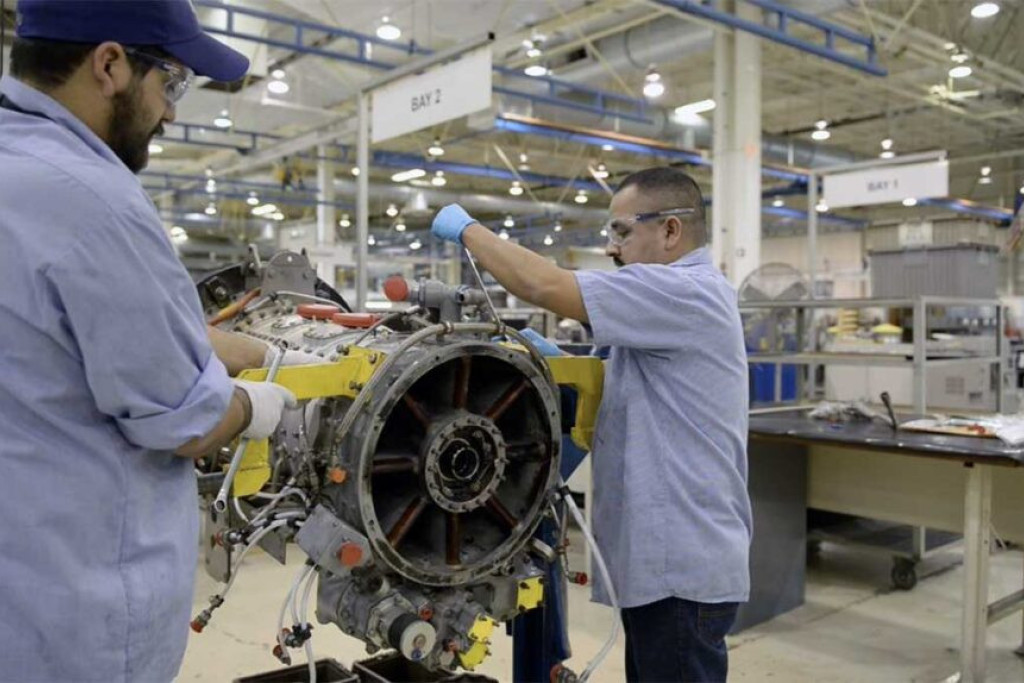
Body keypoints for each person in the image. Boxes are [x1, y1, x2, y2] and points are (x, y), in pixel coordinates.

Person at [0, 1, 299, 680]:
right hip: (74, 628)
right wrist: (266, 404)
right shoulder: (93, 200)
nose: (171, 113)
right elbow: (189, 421)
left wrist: (264, 351)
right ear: (108, 64)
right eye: (172, 83)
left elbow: (84, 338)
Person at [431, 167, 751, 682]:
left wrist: (467, 228)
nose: (611, 247)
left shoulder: (685, 290)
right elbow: (621, 389)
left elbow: (540, 283)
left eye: (622, 231)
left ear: (671, 230)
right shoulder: (671, 304)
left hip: (682, 572)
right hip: (666, 568)